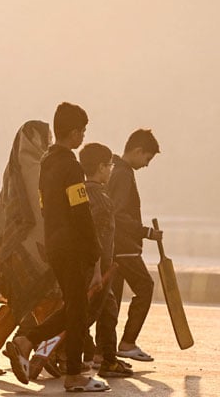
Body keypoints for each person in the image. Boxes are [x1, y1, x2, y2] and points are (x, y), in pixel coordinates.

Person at [4, 102, 109, 392]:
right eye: (83, 131)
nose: (83, 137)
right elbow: (80, 211)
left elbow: (46, 206)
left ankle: (26, 341)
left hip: (55, 243)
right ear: (74, 133)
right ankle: (74, 374)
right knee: (78, 312)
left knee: (76, 307)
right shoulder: (70, 165)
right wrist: (94, 253)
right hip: (73, 247)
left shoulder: (47, 161)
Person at [0, 120, 61, 375]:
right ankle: (42, 352)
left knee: (25, 301)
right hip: (30, 250)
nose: (49, 142)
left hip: (14, 249)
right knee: (46, 300)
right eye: (46, 138)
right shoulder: (33, 170)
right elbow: (41, 213)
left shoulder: (14, 170)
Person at [78, 143, 133, 378]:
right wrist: (99, 270)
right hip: (98, 268)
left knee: (94, 311)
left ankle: (96, 354)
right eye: (109, 165)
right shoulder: (100, 198)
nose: (111, 170)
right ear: (101, 167)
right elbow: (97, 238)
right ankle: (105, 358)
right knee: (98, 312)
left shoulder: (81, 192)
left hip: (89, 265)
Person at [109, 129, 161, 362]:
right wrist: (146, 232)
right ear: (138, 151)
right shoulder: (123, 174)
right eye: (148, 158)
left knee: (111, 299)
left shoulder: (115, 169)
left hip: (114, 247)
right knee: (145, 287)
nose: (148, 165)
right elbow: (118, 214)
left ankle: (104, 351)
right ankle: (128, 342)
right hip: (124, 246)